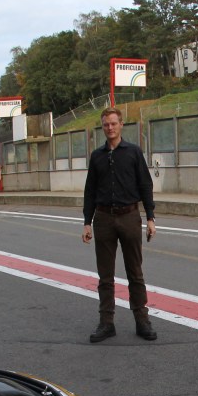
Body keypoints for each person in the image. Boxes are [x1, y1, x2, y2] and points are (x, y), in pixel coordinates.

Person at [82, 107, 157, 342]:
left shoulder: (133, 152)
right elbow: (90, 191)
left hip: (129, 217)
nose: (110, 128)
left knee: (135, 273)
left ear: (121, 125)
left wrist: (151, 218)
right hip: (103, 219)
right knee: (105, 276)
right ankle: (106, 323)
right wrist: (87, 222)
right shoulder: (97, 156)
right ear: (102, 127)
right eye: (106, 125)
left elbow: (145, 185)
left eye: (113, 124)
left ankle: (142, 321)